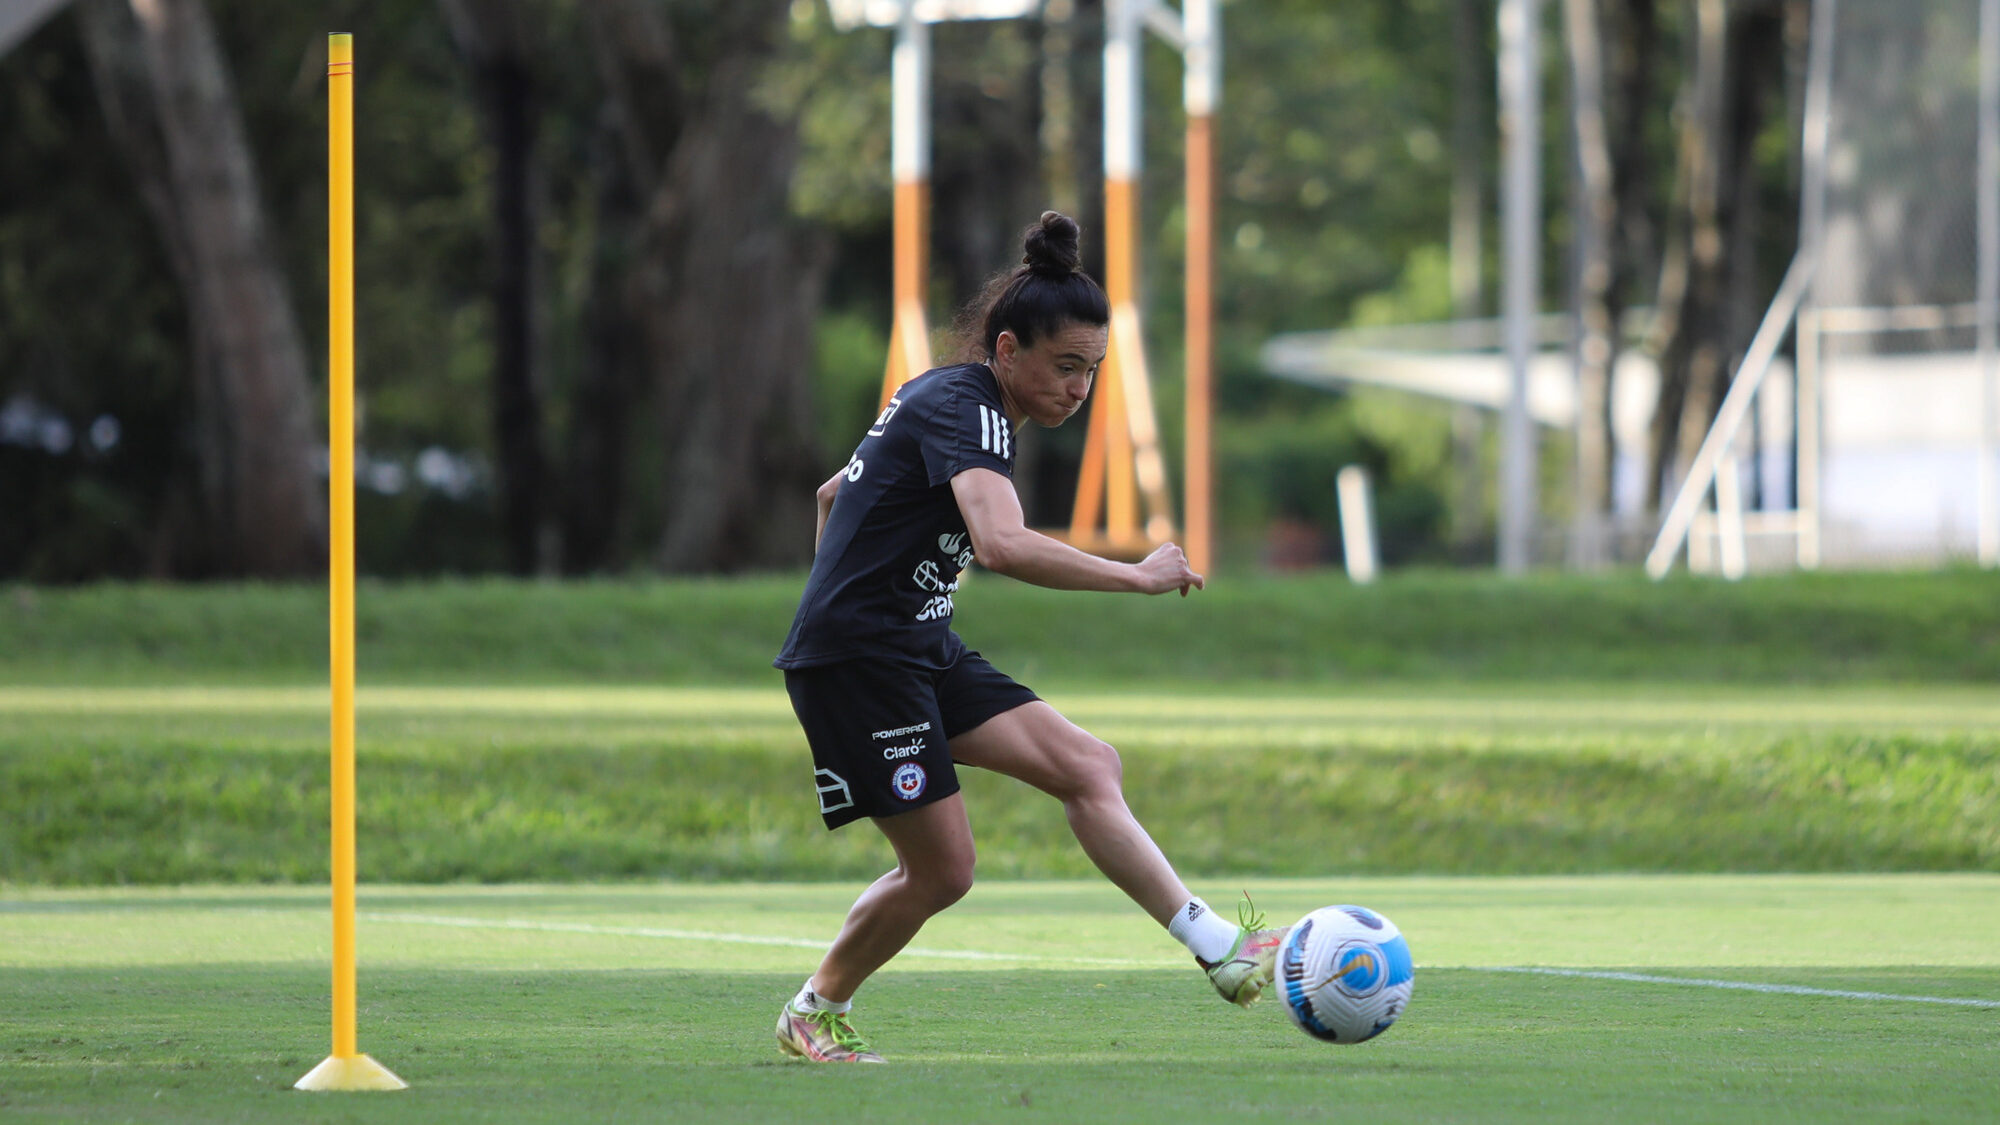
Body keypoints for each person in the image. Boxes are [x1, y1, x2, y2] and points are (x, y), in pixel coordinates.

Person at [771, 211, 1281, 1064]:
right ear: (1007, 351)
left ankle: (1218, 945)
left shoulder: (943, 396)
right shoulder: (971, 407)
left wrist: (856, 589)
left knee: (1089, 763)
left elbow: (833, 495)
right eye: (1065, 366)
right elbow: (1003, 545)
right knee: (944, 872)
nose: (1079, 389)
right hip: (863, 661)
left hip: (912, 642)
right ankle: (812, 1008)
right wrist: (1139, 575)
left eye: (1093, 371)